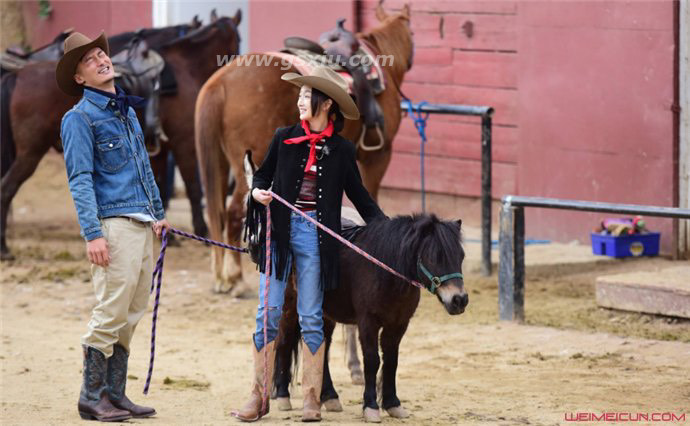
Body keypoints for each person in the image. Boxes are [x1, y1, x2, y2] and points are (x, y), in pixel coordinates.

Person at [236, 66, 386, 422]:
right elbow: (261, 175)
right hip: (280, 236)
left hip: (317, 240)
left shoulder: (343, 150)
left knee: (311, 317)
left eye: (307, 96)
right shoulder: (283, 137)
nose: (300, 101)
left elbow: (361, 198)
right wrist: (257, 192)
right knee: (268, 314)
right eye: (301, 95)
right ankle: (259, 395)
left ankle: (311, 399)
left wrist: (388, 232)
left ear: (327, 105)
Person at [56, 31, 170, 422]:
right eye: (89, 60)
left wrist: (158, 212)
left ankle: (116, 394)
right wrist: (92, 234)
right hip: (113, 226)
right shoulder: (78, 118)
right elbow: (80, 179)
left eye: (101, 53)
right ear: (80, 78)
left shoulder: (127, 112)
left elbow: (144, 168)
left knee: (132, 313)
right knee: (110, 312)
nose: (102, 60)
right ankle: (91, 396)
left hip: (141, 224)